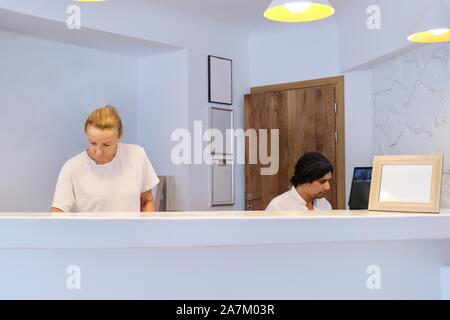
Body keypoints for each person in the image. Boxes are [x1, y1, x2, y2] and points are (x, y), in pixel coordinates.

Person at [51, 105, 159, 213]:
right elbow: (58, 212)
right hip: (88, 230)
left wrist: (146, 228)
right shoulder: (72, 168)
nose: (99, 152)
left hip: (131, 229)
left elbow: (146, 201)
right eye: (92, 143)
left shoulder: (137, 156)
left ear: (120, 135)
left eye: (106, 145)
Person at [266, 152, 333, 211]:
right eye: (322, 181)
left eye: (328, 181)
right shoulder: (278, 207)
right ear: (305, 179)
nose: (328, 187)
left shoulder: (325, 205)